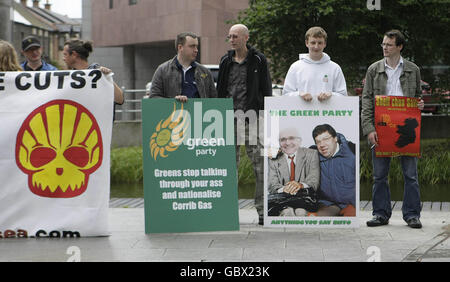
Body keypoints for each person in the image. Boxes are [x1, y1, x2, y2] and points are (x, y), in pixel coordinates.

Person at [361, 29, 425, 228]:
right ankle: (380, 214)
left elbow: (417, 97)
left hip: (406, 129)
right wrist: (369, 128)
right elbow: (367, 100)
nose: (384, 48)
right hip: (381, 128)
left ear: (399, 47)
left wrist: (420, 105)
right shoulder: (374, 69)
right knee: (379, 175)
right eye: (383, 44)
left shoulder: (413, 69)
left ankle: (412, 215)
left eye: (389, 45)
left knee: (411, 175)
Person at [216, 24, 272, 224]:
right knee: (229, 167)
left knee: (260, 166)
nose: (232, 40)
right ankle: (228, 211)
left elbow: (266, 90)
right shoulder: (225, 61)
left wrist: (266, 118)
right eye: (230, 36)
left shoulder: (258, 60)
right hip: (229, 120)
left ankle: (262, 211)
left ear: (246, 38)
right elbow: (220, 90)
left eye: (236, 36)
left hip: (253, 119)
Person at [282, 26, 347, 101]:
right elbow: (286, 95)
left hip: (327, 112)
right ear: (307, 43)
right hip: (302, 112)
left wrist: (331, 95)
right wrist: (299, 94)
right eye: (313, 43)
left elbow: (343, 96)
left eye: (320, 43)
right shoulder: (295, 67)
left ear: (324, 44)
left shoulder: (335, 68)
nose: (316, 47)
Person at [149, 32, 217, 101]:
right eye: (192, 46)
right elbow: (153, 97)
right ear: (180, 47)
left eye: (196, 46)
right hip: (174, 111)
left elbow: (214, 100)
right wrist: (174, 101)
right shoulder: (162, 70)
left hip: (199, 111)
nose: (196, 50)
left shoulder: (205, 72)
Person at [268, 127, 320, 216]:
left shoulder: (312, 154)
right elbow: (272, 185)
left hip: (304, 200)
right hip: (282, 201)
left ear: (299, 141)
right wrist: (285, 189)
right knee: (287, 212)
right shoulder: (274, 158)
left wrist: (299, 185)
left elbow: (314, 181)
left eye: (291, 138)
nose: (287, 143)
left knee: (301, 212)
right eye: (283, 139)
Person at [312, 124, 356, 217]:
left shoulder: (352, 150)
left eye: (326, 139)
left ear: (335, 138)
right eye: (318, 142)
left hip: (351, 205)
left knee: (351, 217)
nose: (322, 145)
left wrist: (355, 205)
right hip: (328, 205)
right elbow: (292, 151)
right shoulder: (313, 154)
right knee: (313, 217)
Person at [63, 39, 124, 105]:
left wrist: (107, 78)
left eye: (65, 54)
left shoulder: (99, 74)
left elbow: (120, 100)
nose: (63, 58)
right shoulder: (67, 78)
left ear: (74, 54)